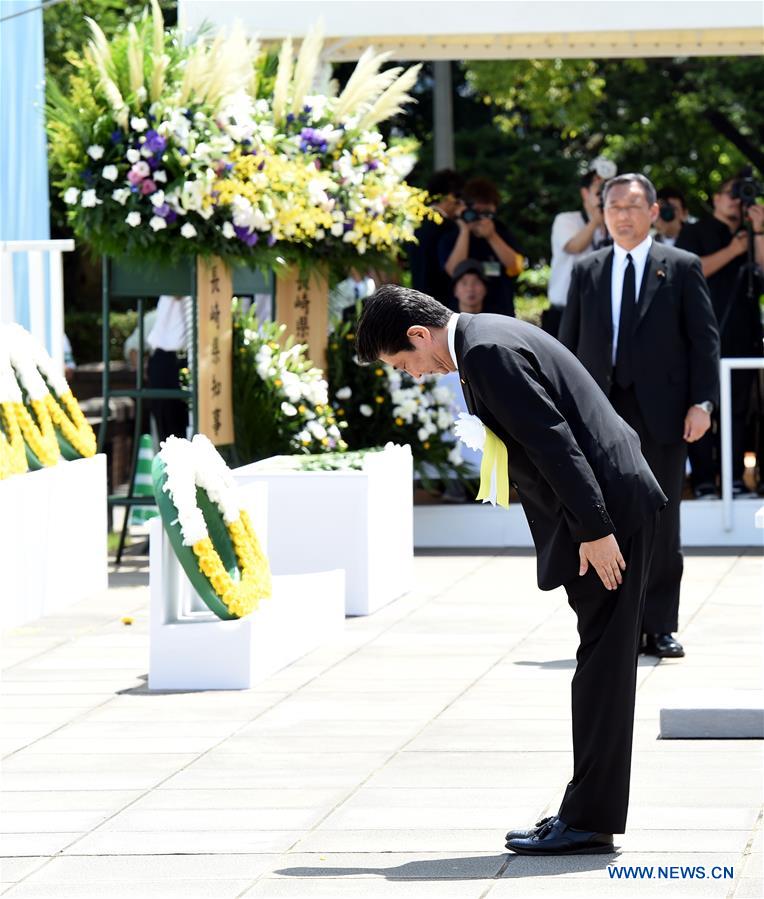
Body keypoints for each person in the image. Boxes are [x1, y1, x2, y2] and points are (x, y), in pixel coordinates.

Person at [356, 284, 667, 856]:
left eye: (405, 362)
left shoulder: (484, 352)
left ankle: (588, 820)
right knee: (601, 659)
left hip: (608, 512)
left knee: (603, 664)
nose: (415, 375)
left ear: (419, 335)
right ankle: (588, 812)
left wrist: (595, 531)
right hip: (604, 504)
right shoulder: (486, 333)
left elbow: (555, 445)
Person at [560, 173, 719, 661]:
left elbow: (704, 341)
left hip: (663, 414)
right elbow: (567, 345)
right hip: (599, 413)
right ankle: (616, 627)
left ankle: (659, 625)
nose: (622, 215)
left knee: (662, 520)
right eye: (613, 207)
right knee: (604, 518)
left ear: (652, 212)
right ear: (601, 214)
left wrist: (703, 403)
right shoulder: (586, 270)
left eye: (632, 206)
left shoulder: (681, 265)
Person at [676, 176, 764, 498]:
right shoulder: (695, 232)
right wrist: (733, 250)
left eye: (742, 196)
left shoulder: (751, 234)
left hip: (743, 337)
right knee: (701, 408)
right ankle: (703, 481)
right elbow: (691, 269)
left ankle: (735, 479)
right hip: (701, 336)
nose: (736, 202)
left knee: (739, 412)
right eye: (731, 194)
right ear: (715, 198)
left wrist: (757, 232)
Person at [545, 159, 614, 337]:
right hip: (564, 312)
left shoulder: (616, 227)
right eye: (599, 191)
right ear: (584, 193)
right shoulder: (566, 220)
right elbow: (574, 246)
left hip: (601, 314)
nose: (603, 197)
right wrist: (595, 222)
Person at [439, 177, 524, 316]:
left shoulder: (503, 233)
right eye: (477, 212)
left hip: (500, 313)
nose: (482, 218)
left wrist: (492, 236)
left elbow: (516, 267)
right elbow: (453, 271)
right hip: (463, 315)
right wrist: (465, 231)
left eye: (487, 213)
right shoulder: (451, 237)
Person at [408, 169, 464, 307]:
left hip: (417, 297)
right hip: (444, 301)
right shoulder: (450, 227)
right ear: (451, 197)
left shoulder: (413, 222)